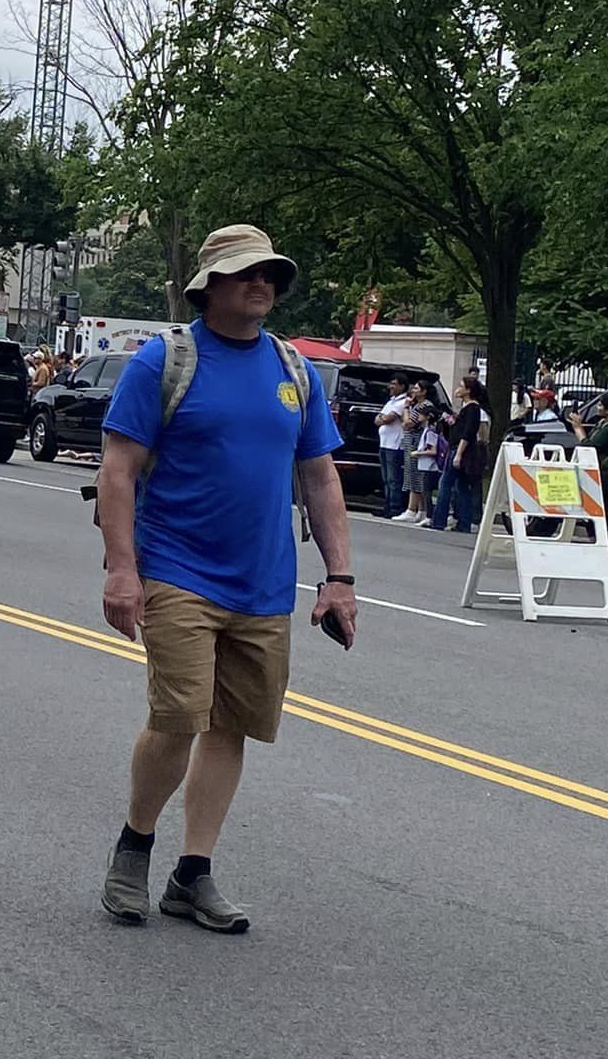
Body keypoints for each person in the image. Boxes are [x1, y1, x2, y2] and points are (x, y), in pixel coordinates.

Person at [96, 224, 353, 934]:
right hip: (177, 570)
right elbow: (117, 472)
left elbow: (321, 478)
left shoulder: (294, 371)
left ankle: (193, 873)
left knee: (232, 724)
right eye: (245, 274)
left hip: (265, 582)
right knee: (180, 713)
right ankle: (135, 844)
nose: (260, 284)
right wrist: (123, 570)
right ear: (209, 285)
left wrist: (340, 577)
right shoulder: (165, 361)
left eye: (269, 273)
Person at [428, 376, 488, 533]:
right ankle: (464, 522)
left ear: (468, 390)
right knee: (461, 486)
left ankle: (439, 520)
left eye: (461, 386)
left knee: (445, 484)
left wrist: (459, 453)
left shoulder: (473, 409)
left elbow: (468, 433)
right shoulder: (467, 408)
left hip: (460, 450)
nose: (458, 389)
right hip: (457, 448)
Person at [390, 380, 430, 524]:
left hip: (416, 443)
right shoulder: (417, 405)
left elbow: (408, 424)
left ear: (424, 391)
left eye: (417, 388)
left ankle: (412, 509)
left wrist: (406, 408)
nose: (413, 390)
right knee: (411, 474)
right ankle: (420, 510)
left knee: (415, 476)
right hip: (409, 443)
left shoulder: (424, 405)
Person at [375, 375, 408, 518]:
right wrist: (382, 418)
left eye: (394, 384)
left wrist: (383, 418)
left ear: (402, 386)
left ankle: (395, 507)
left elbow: (388, 419)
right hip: (384, 443)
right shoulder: (391, 402)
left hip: (394, 445)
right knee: (386, 478)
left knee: (394, 478)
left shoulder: (402, 403)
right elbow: (377, 419)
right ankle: (387, 505)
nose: (391, 386)